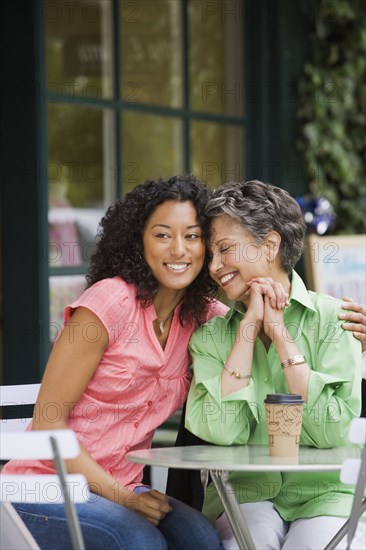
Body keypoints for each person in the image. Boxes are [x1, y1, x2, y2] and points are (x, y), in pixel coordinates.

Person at [3, 175, 227, 550]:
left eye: (192, 236)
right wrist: (123, 499)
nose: (179, 250)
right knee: (137, 540)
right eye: (162, 235)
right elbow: (48, 421)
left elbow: (264, 331)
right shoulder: (109, 303)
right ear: (138, 242)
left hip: (127, 484)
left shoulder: (202, 316)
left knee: (201, 539)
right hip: (43, 485)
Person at [184, 180, 365, 549]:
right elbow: (222, 431)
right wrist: (248, 329)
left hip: (328, 494)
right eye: (211, 253)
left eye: (225, 249)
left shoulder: (336, 320)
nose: (214, 266)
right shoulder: (211, 337)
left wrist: (280, 335)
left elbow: (331, 431)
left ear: (269, 245)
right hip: (246, 496)